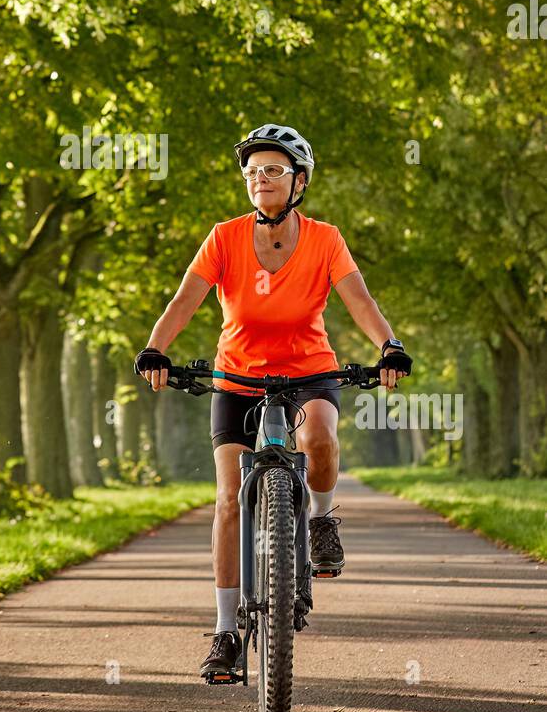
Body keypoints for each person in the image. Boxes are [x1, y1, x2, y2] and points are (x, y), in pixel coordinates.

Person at [133, 123, 413, 680]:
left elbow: (358, 298)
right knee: (229, 498)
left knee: (319, 439)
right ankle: (224, 633)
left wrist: (388, 345)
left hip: (310, 370)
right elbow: (185, 299)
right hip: (236, 376)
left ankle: (322, 519)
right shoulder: (223, 237)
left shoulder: (326, 239)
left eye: (274, 171)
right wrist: (155, 349)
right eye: (254, 171)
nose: (261, 179)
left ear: (298, 180)